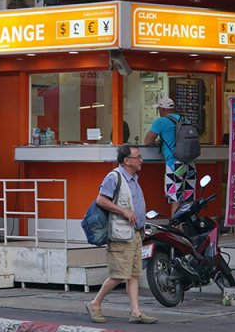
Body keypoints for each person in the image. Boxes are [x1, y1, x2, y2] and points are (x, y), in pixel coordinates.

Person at [86, 144, 158, 324]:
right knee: (119, 275)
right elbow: (101, 200)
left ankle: (135, 313)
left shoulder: (133, 178)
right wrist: (123, 211)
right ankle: (95, 303)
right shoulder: (114, 177)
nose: (141, 160)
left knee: (134, 274)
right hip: (121, 234)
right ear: (127, 160)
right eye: (138, 157)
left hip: (136, 233)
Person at [144, 97, 197, 216]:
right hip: (189, 163)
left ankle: (176, 228)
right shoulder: (184, 119)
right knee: (188, 198)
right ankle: (187, 228)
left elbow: (148, 141)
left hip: (175, 165)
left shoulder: (160, 122)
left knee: (176, 198)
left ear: (162, 109)